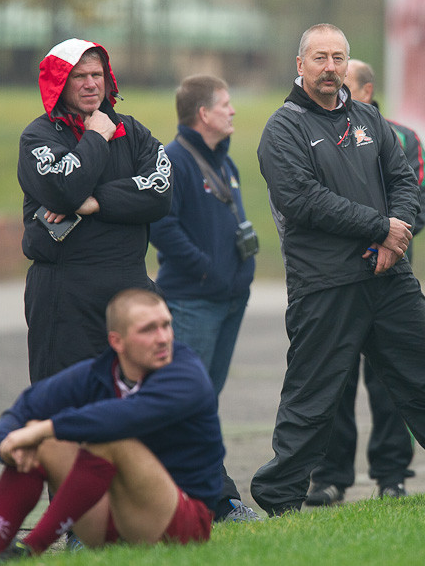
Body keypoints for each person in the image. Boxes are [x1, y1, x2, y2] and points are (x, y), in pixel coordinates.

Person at [251, 23, 425, 516]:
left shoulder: (368, 120)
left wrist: (395, 234)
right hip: (326, 284)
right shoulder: (284, 128)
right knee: (314, 396)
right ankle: (280, 497)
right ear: (300, 65)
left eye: (339, 57)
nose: (331, 67)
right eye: (320, 58)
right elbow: (302, 200)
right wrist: (380, 228)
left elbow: (401, 177)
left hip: (388, 278)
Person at [0, 289, 224, 564]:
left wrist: (42, 429)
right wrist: (6, 447)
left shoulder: (187, 373)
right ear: (117, 341)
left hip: (183, 523)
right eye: (148, 330)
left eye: (166, 325)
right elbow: (24, 408)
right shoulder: (98, 372)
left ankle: (27, 551)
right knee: (37, 441)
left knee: (108, 438)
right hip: (112, 518)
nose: (163, 338)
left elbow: (124, 416)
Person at [305, 58, 425, 505]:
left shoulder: (403, 138)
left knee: (392, 382)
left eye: (345, 81)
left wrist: (387, 244)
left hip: (388, 278)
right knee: (334, 384)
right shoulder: (309, 134)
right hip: (337, 278)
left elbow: (416, 202)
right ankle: (330, 476)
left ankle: (392, 474)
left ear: (367, 91)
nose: (333, 84)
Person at [18, 38, 172, 384]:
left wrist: (97, 201)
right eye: (79, 77)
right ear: (59, 84)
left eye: (97, 74)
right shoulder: (38, 138)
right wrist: (96, 139)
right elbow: (63, 190)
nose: (91, 84)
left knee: (139, 401)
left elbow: (160, 193)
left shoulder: (132, 132)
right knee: (65, 402)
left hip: (129, 287)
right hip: (66, 292)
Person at [149, 74, 260, 521]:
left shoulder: (224, 162)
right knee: (189, 403)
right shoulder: (175, 159)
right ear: (203, 114)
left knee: (204, 401)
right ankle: (210, 499)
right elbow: (162, 226)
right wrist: (207, 268)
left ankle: (198, 496)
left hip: (228, 300)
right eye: (226, 104)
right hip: (193, 301)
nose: (233, 110)